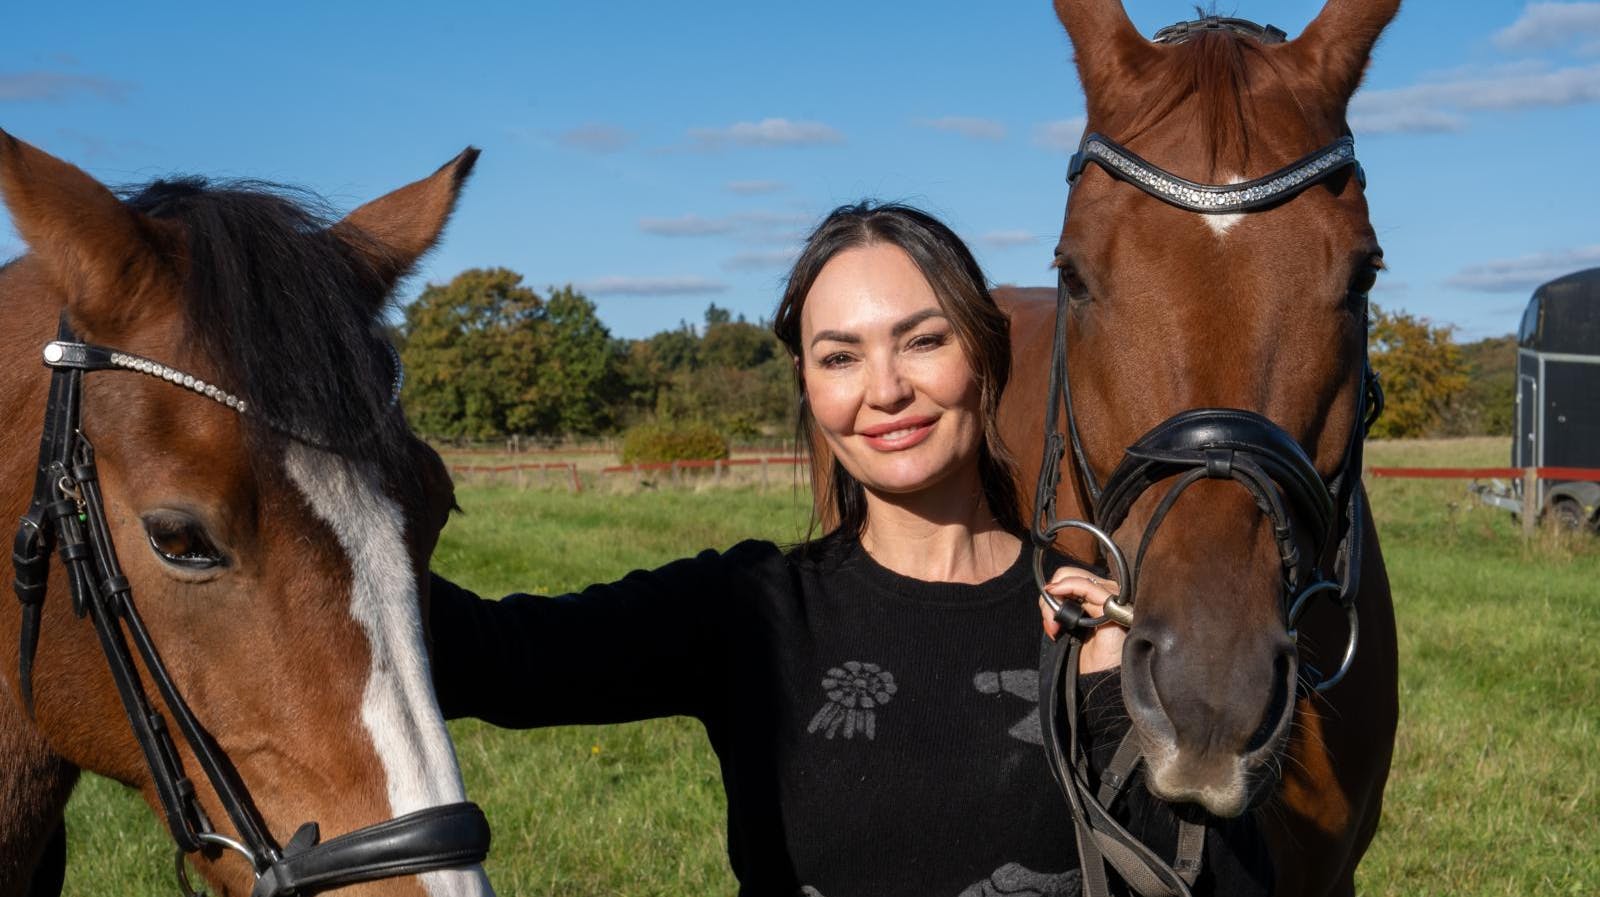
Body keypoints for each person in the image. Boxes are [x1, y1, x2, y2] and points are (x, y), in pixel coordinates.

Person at [427, 202, 1269, 896]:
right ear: (809, 386)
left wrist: (1115, 700)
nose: (886, 388)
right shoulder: (750, 611)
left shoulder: (1095, 623)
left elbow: (1228, 881)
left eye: (923, 339)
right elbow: (482, 656)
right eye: (840, 356)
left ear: (986, 352)